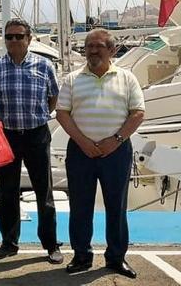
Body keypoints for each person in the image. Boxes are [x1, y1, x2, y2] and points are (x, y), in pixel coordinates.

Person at [56, 29, 145, 279]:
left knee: (116, 207)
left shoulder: (127, 78)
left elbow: (137, 112)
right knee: (80, 205)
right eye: (88, 46)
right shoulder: (72, 79)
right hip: (80, 151)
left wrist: (115, 141)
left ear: (112, 50)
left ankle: (116, 258)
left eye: (98, 46)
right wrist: (83, 141)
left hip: (116, 152)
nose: (93, 51)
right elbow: (62, 113)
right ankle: (82, 255)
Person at [0, 18, 63, 264]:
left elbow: (53, 97)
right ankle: (9, 243)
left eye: (19, 36)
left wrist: (38, 116)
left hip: (36, 134)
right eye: (10, 36)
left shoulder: (45, 65)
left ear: (29, 39)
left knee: (44, 192)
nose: (14, 40)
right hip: (6, 136)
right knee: (7, 192)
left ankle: (50, 244)